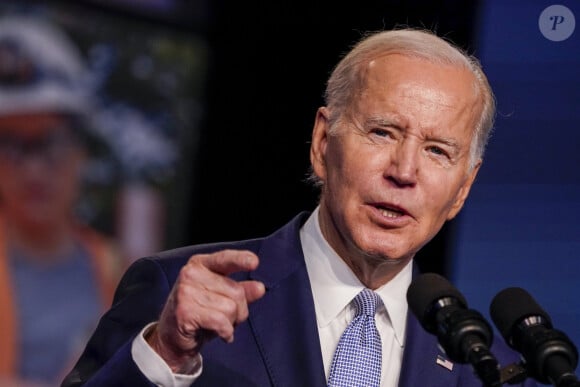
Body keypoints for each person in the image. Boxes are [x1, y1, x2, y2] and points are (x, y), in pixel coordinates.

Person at [62, 28, 538, 387]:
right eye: (382, 132)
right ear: (321, 143)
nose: (404, 170)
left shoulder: (483, 368)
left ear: (462, 189)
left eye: (437, 150)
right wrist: (163, 353)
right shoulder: (179, 298)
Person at [0, 16, 124, 386]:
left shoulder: (117, 269)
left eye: (49, 142)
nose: (34, 170)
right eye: (12, 145)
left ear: (80, 152)